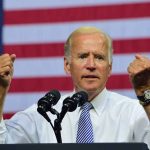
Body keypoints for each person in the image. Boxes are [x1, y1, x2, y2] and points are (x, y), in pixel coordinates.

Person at [0, 26, 150, 147]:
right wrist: (0, 92)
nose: (91, 65)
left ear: (109, 68)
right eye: (83, 56)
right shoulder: (43, 114)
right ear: (67, 65)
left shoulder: (134, 112)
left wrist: (146, 93)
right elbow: (4, 142)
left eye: (99, 57)